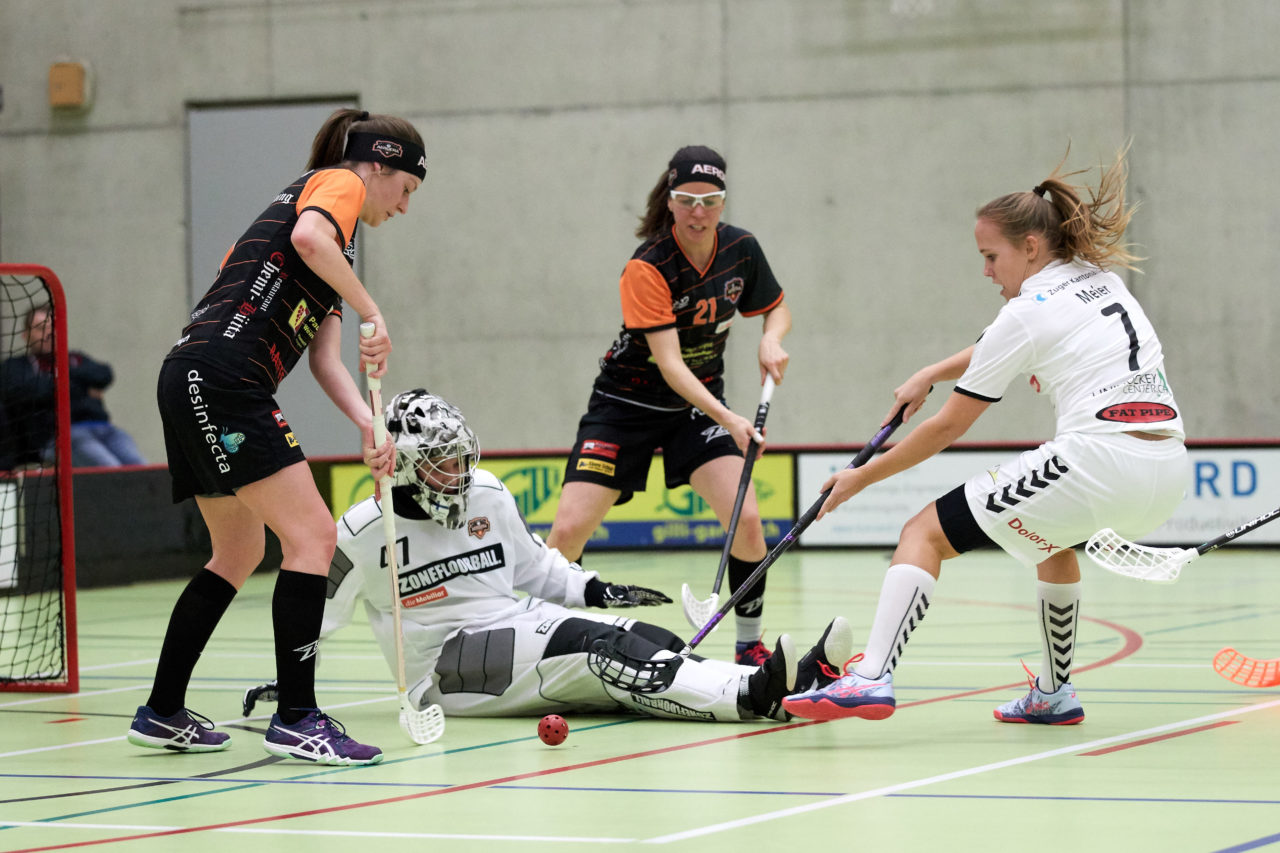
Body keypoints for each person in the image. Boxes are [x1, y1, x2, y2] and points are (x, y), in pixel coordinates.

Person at [784, 147, 1189, 726]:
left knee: (923, 532)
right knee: (1050, 546)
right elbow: (1010, 341)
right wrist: (932, 372)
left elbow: (946, 427)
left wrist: (858, 479)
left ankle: (870, 676)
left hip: (1098, 461)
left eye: (990, 256)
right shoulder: (1097, 281)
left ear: (1029, 247)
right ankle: (1053, 694)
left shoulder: (1024, 312)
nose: (985, 271)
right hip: (1167, 467)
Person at [242, 389, 851, 724]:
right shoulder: (362, 530)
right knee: (599, 650)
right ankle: (752, 697)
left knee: (646, 633)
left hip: (512, 629)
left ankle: (791, 685)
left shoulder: (487, 494)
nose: (458, 471)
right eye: (441, 460)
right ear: (402, 462)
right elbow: (314, 610)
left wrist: (599, 591)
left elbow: (539, 569)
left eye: (461, 456)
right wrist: (288, 681)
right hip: (444, 675)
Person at [126, 108, 426, 766]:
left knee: (237, 549)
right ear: (378, 166)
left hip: (190, 377)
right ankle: (297, 717)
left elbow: (323, 362)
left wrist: (369, 424)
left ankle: (162, 709)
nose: (404, 206)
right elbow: (312, 241)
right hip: (225, 379)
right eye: (406, 189)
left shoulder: (334, 239)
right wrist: (376, 310)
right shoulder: (337, 185)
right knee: (312, 537)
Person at [545, 145, 792, 667]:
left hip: (694, 410)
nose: (698, 212)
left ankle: (749, 645)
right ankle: (548, 643)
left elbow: (775, 308)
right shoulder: (647, 267)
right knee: (567, 532)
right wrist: (730, 417)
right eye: (686, 200)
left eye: (711, 200)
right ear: (670, 200)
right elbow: (670, 364)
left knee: (747, 519)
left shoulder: (742, 249)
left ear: (723, 201)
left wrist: (772, 338)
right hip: (625, 405)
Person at [0, 305, 146, 467]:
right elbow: (32, 392)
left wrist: (63, 379)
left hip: (104, 429)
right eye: (41, 329)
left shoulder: (75, 358)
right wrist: (82, 386)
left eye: (53, 328)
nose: (49, 334)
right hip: (62, 437)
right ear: (26, 335)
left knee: (140, 469)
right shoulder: (16, 367)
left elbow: (104, 374)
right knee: (112, 470)